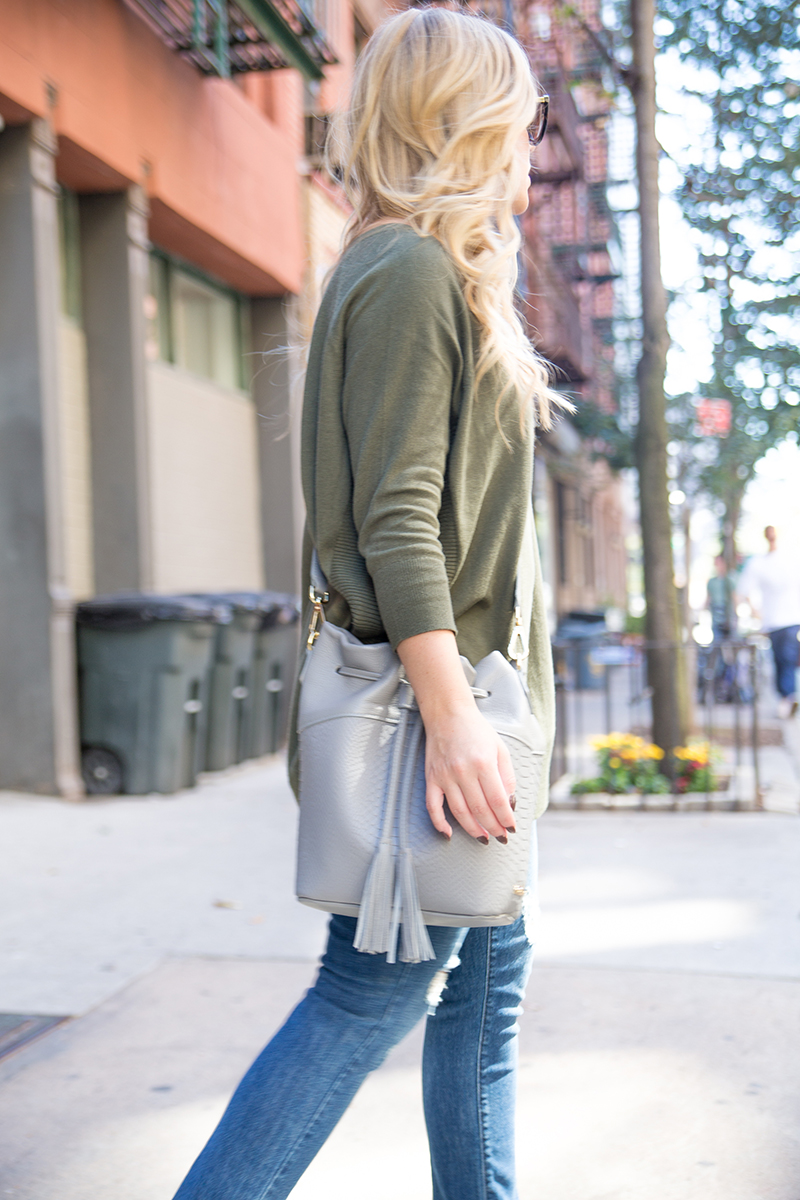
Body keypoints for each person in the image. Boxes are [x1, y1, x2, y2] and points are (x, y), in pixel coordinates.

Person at [172, 10, 559, 1198]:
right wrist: (453, 723)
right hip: (445, 717)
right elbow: (398, 518)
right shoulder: (404, 271)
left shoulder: (430, 270)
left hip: (482, 706)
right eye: (517, 115)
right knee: (370, 987)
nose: (532, 139)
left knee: (487, 989)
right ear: (459, 121)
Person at [737, 525, 800, 717]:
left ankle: (787, 697)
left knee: (786, 660)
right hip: (775, 621)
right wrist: (757, 613)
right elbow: (743, 591)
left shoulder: (791, 557)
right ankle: (787, 697)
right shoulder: (759, 563)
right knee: (783, 660)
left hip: (791, 619)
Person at [707, 553, 736, 641]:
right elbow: (708, 598)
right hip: (716, 614)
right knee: (717, 641)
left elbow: (734, 598)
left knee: (730, 641)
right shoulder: (711, 582)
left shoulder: (729, 581)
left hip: (727, 614)